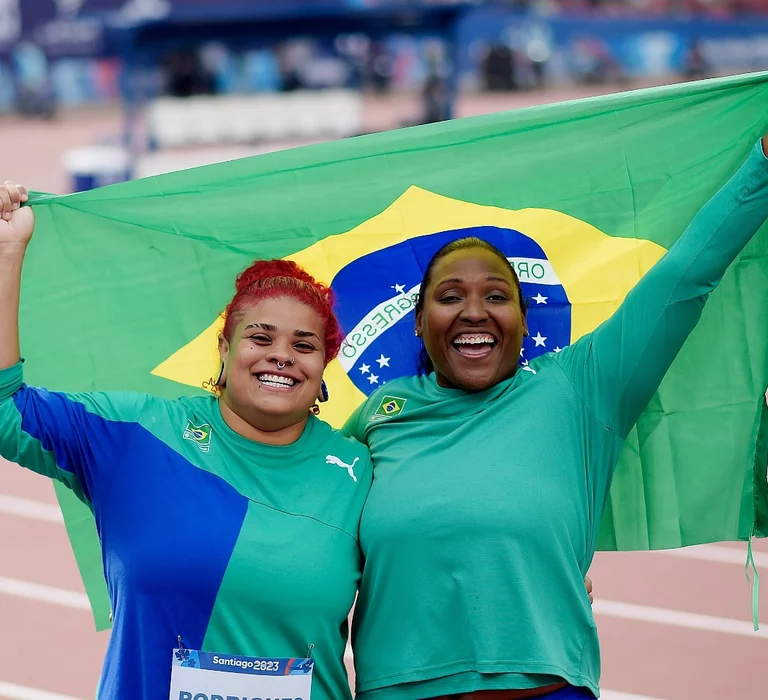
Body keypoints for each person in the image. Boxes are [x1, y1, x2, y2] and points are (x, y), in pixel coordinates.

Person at [345, 135, 768, 700]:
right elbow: (304, 521)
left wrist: (763, 164)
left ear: (524, 320)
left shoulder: (579, 387)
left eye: (497, 296)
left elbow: (684, 279)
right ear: (419, 323)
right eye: (449, 297)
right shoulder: (377, 414)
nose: (474, 311)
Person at [0, 183, 372, 700]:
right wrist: (8, 251)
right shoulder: (136, 434)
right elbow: (6, 411)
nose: (282, 355)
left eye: (303, 345)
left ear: (323, 365)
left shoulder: (360, 471)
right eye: (260, 338)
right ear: (224, 348)